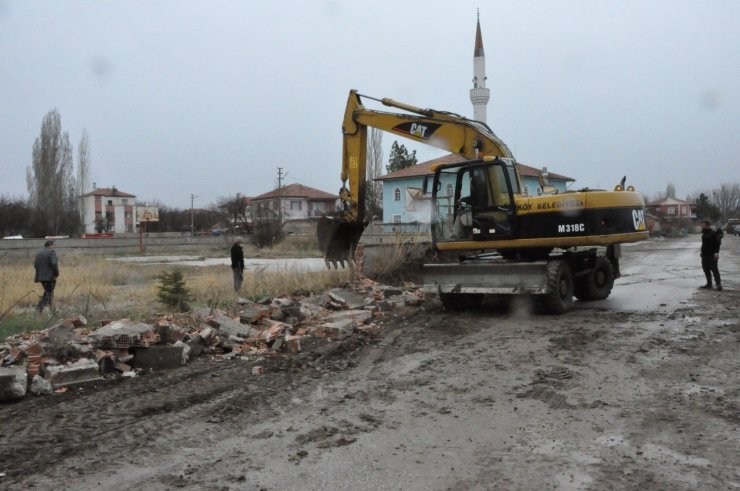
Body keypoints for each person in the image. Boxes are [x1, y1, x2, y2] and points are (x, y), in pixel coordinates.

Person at [34, 240, 59, 312]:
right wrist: (56, 273)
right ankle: (39, 308)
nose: (54, 246)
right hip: (50, 277)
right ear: (50, 244)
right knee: (48, 293)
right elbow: (54, 264)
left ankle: (52, 308)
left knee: (49, 292)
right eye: (54, 244)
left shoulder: (39, 253)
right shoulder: (51, 252)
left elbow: (35, 265)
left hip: (41, 277)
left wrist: (40, 273)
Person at [699, 220, 722, 291]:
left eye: (703, 225)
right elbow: (704, 244)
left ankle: (718, 284)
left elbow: (718, 244)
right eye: (701, 225)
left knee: (714, 269)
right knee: (706, 270)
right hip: (704, 255)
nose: (702, 227)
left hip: (712, 255)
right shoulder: (704, 234)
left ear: (707, 225)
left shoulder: (713, 233)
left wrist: (716, 254)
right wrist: (701, 252)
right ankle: (709, 284)